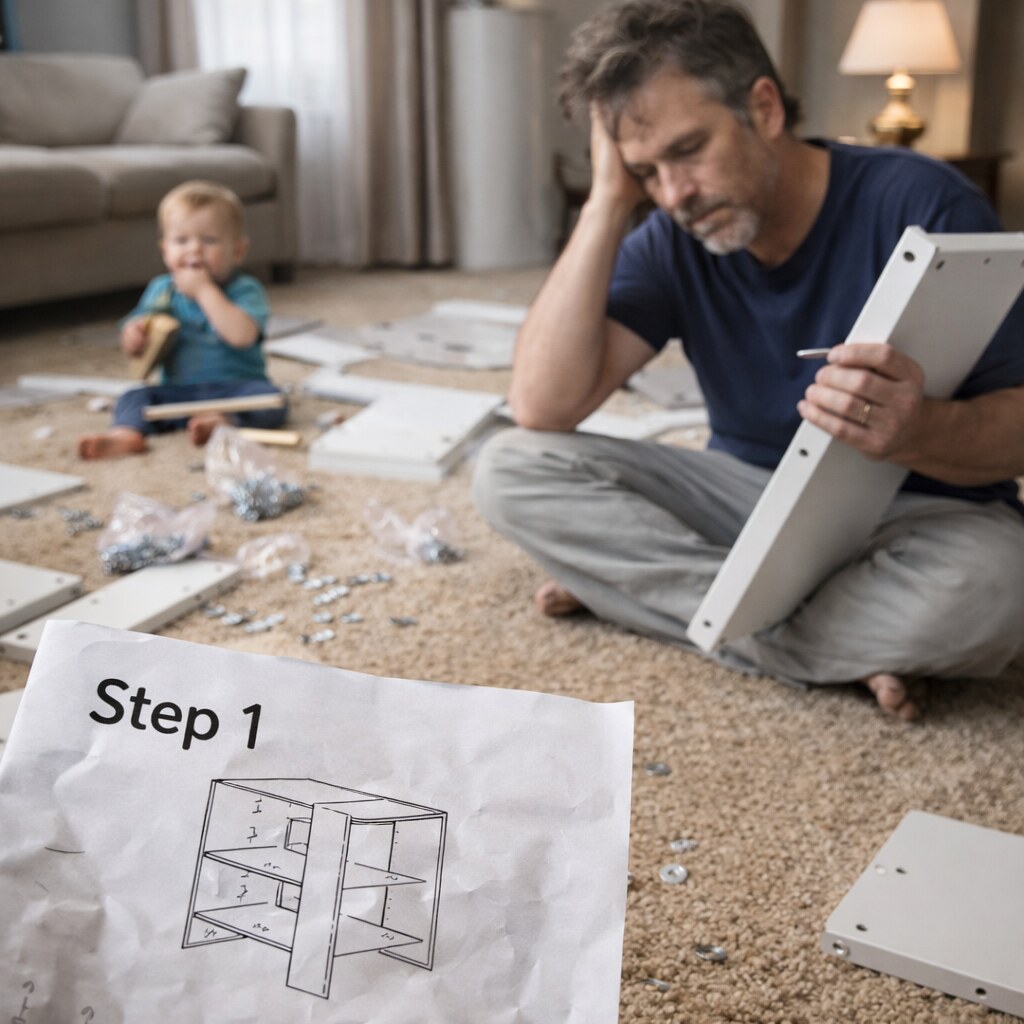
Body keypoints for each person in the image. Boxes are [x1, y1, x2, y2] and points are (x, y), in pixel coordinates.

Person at [472, 0, 1024, 720]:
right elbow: (543, 406)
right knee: (509, 469)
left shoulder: (924, 203)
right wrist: (608, 202)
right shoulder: (675, 231)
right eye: (645, 171)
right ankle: (825, 646)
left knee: (998, 589)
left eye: (687, 150)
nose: (674, 195)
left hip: (923, 514)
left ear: (763, 107)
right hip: (747, 502)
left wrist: (917, 429)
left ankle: (651, 599)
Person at [77, 180, 286, 459]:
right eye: (181, 240)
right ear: (165, 251)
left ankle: (221, 424)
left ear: (238, 251)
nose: (194, 250)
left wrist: (204, 291)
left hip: (235, 390)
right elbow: (138, 340)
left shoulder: (245, 290)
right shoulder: (161, 290)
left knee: (272, 401)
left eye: (209, 240)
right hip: (177, 393)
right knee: (132, 397)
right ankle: (126, 435)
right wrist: (134, 335)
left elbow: (241, 336)